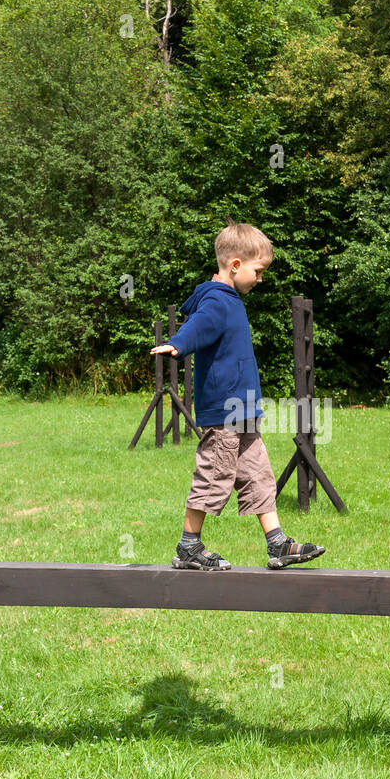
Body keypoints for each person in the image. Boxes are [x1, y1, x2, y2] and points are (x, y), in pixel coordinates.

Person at [151, 220, 326, 571]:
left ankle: (277, 544)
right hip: (224, 413)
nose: (260, 279)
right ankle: (188, 547)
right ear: (234, 265)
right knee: (214, 474)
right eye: (258, 271)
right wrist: (179, 344)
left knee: (259, 475)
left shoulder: (228, 299)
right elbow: (197, 327)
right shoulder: (217, 300)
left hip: (243, 410)